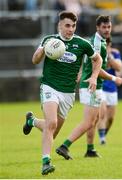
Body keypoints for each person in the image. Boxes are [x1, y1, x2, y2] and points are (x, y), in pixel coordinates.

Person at [23, 11, 102, 175]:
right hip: (49, 86)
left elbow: (98, 59)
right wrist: (45, 49)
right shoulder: (49, 40)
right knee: (51, 123)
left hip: (68, 93)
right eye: (67, 25)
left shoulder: (82, 43)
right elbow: (35, 60)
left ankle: (31, 121)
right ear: (59, 25)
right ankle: (46, 162)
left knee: (52, 130)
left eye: (73, 26)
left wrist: (94, 77)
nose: (71, 29)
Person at [55, 15, 122, 160]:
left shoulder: (98, 41)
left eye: (109, 27)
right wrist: (114, 78)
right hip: (91, 85)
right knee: (88, 121)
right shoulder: (97, 43)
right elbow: (95, 70)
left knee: (94, 119)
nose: (107, 30)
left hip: (94, 85)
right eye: (103, 27)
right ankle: (64, 146)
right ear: (97, 27)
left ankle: (90, 149)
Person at [98, 37, 122, 144]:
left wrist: (109, 57)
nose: (106, 46)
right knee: (102, 113)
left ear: (110, 44)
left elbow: (119, 68)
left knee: (111, 119)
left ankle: (103, 134)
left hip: (112, 88)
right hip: (101, 87)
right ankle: (102, 139)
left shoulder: (115, 53)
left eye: (107, 44)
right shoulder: (97, 53)